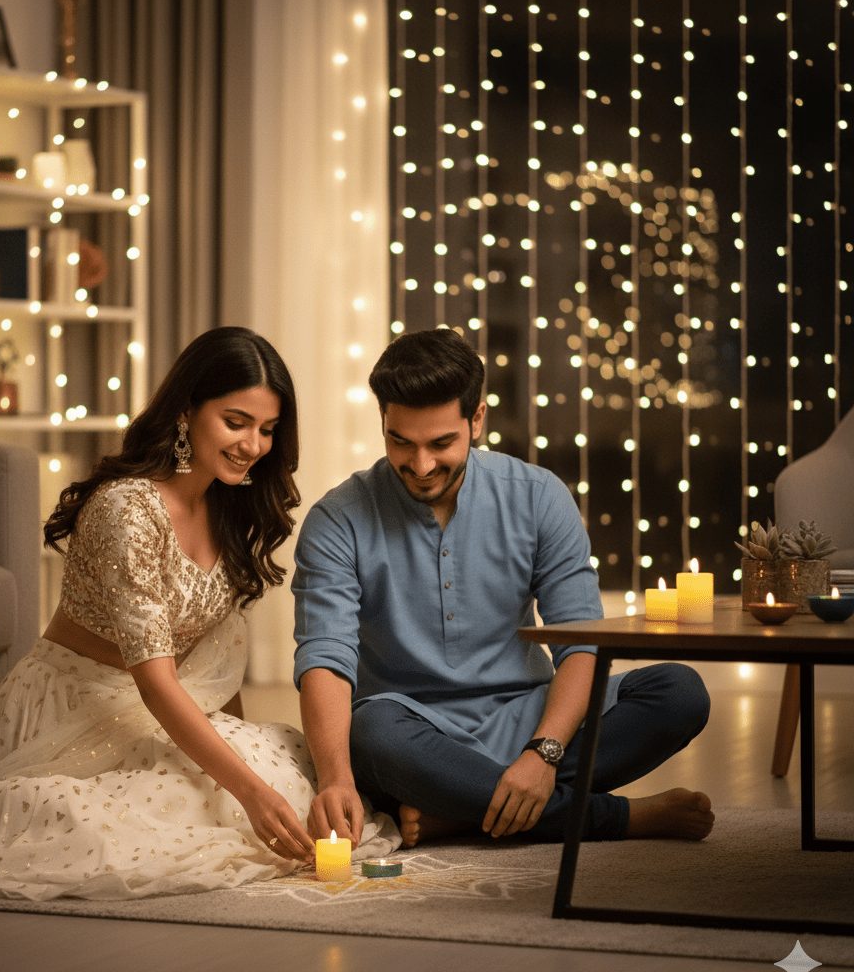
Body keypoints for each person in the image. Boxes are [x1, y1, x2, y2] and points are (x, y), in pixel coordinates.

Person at [0, 327, 398, 900]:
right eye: (236, 422)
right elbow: (156, 682)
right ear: (185, 412)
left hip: (164, 706)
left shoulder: (228, 505)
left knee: (290, 765)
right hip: (79, 710)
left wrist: (243, 749)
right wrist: (247, 791)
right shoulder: (127, 509)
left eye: (267, 430)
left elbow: (215, 656)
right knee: (160, 819)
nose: (253, 445)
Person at [293, 328, 714, 850]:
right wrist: (336, 779)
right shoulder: (337, 519)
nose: (420, 465)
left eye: (441, 443)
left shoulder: (538, 496)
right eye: (401, 441)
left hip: (528, 717)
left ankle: (462, 812)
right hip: (412, 735)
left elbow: (580, 642)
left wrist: (544, 753)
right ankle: (617, 817)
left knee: (679, 692)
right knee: (369, 731)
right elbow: (325, 659)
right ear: (383, 423)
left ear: (477, 419)